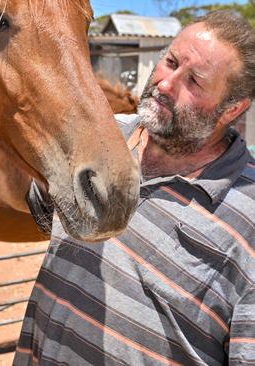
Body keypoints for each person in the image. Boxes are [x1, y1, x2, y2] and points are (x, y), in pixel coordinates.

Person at [14, 10, 255, 366]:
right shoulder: (99, 136)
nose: (166, 84)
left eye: (194, 82)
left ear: (232, 109)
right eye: (170, 62)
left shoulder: (248, 217)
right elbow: (42, 212)